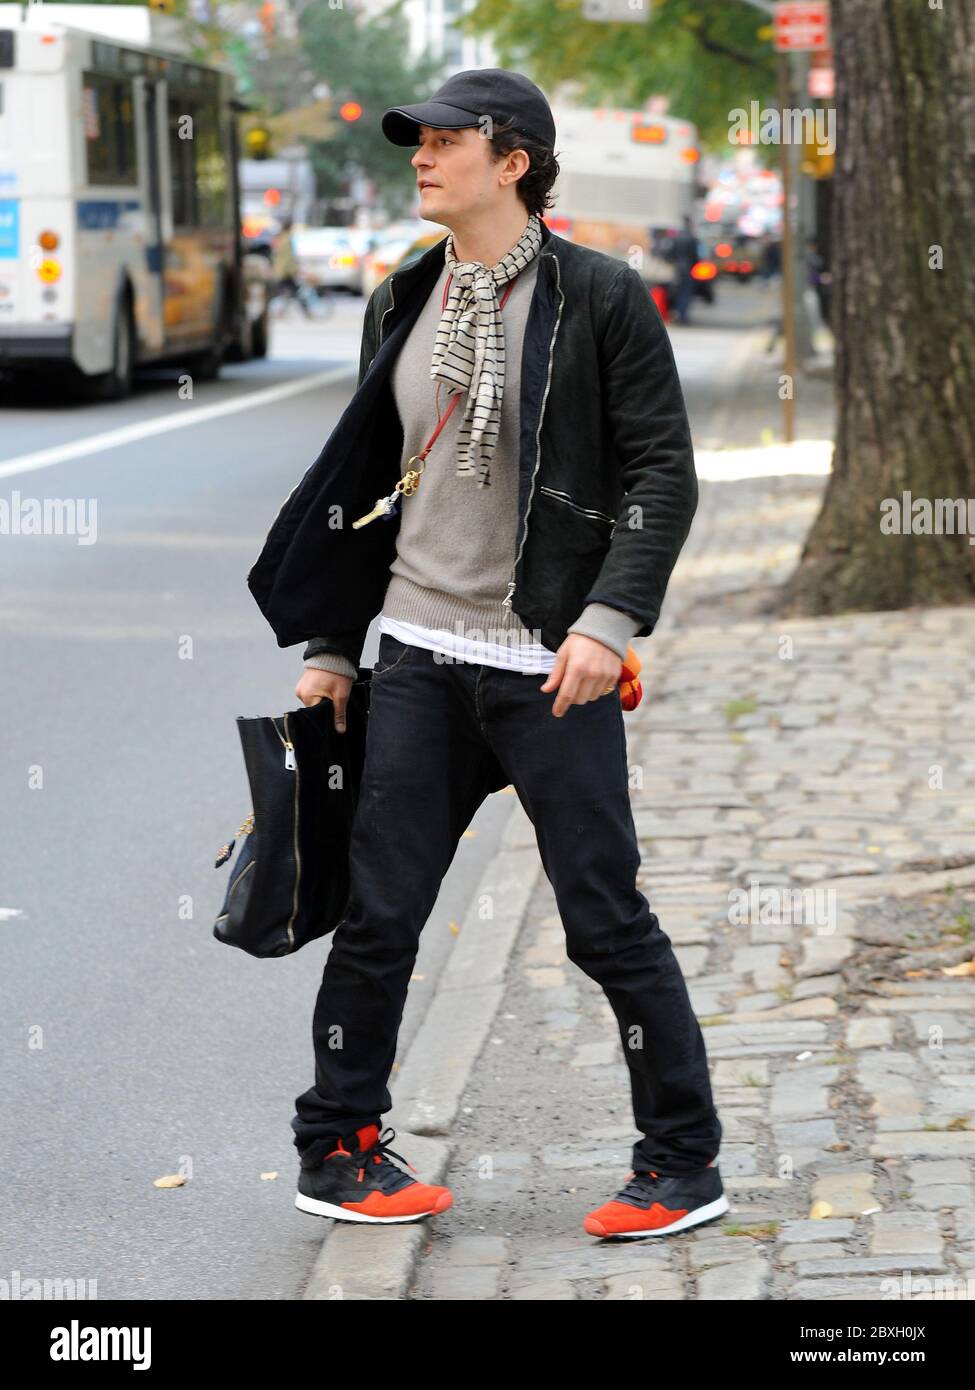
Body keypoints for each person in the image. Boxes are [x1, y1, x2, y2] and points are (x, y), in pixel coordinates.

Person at [247, 69, 725, 1239]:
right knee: (379, 912)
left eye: (445, 139)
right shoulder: (404, 295)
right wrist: (332, 651)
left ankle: (681, 1160)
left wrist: (608, 624)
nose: (421, 155)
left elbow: (663, 474)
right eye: (417, 139)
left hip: (547, 666)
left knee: (605, 919)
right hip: (415, 654)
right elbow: (368, 488)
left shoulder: (602, 297)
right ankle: (339, 1144)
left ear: (513, 161)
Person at [270, 219, 310, 316]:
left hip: (282, 271)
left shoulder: (281, 238)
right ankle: (304, 311)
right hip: (285, 272)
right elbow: (288, 259)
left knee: (289, 292)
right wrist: (294, 270)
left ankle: (282, 311)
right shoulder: (287, 240)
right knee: (291, 291)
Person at [667, 216, 699, 326]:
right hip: (688, 269)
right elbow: (695, 256)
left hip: (677, 269)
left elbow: (670, 254)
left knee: (676, 293)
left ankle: (675, 314)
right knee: (685, 294)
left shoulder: (676, 238)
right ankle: (683, 316)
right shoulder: (692, 238)